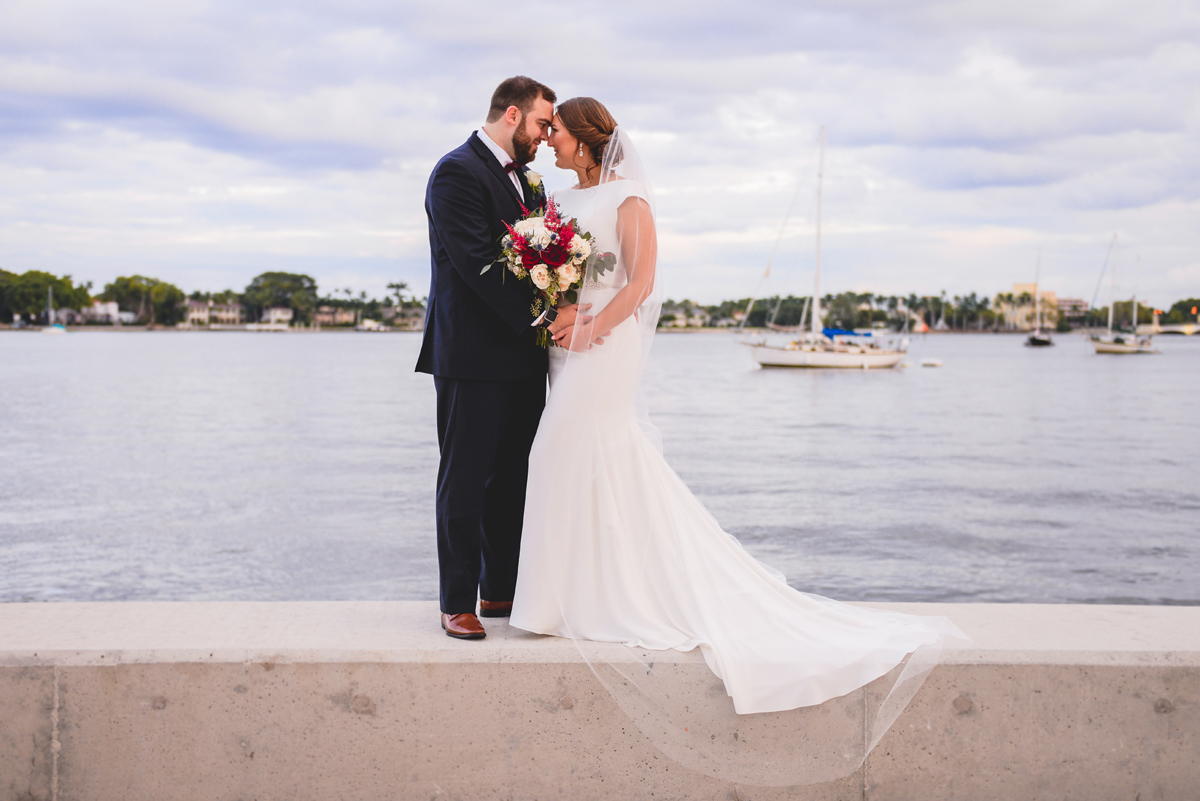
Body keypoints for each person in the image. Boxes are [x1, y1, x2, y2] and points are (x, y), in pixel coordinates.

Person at [510, 98, 966, 785]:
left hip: (604, 345)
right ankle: (562, 596)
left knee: (559, 452)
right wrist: (555, 305)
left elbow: (642, 281)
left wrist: (594, 325)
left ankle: (569, 597)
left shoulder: (628, 197)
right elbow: (560, 268)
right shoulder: (560, 197)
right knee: (591, 460)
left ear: (583, 137)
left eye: (558, 133)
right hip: (564, 343)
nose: (549, 141)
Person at [417, 76, 585, 640]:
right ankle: (456, 601)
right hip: (469, 353)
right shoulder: (455, 172)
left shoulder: (530, 184)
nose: (545, 136)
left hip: (521, 354)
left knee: (513, 477)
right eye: (542, 123)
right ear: (512, 115)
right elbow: (475, 263)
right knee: (464, 478)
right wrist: (543, 316)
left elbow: (542, 254)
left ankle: (500, 589)